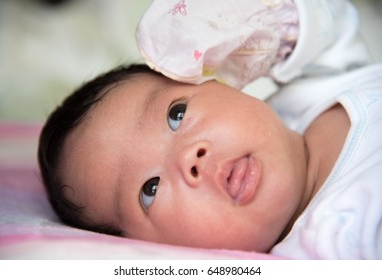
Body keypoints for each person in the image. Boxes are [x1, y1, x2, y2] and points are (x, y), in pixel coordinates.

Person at [38, 0, 382, 259]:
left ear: (215, 81)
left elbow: (325, 23)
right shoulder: (328, 249)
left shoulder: (315, 83)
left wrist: (237, 20)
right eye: (150, 189)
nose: (190, 158)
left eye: (176, 114)